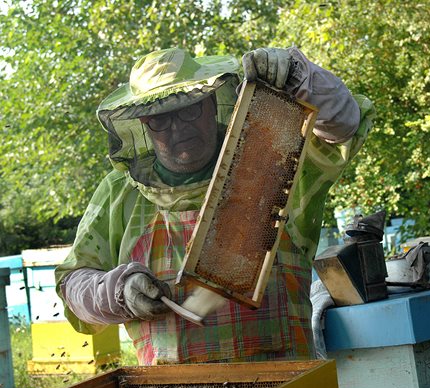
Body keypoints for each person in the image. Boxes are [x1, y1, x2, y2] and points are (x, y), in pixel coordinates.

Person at [55, 47, 375, 365]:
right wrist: (115, 292)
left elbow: (343, 125)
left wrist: (301, 77)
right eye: (159, 120)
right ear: (141, 125)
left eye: (189, 109)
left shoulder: (273, 158)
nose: (178, 127)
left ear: (212, 104)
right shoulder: (119, 195)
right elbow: (72, 285)